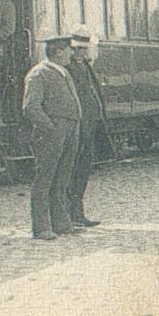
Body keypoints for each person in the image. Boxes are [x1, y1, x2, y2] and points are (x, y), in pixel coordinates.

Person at [20, 35, 83, 240]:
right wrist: (50, 127)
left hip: (69, 129)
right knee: (45, 179)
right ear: (57, 52)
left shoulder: (62, 72)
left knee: (62, 178)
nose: (72, 54)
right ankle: (41, 227)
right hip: (52, 133)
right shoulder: (39, 74)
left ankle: (61, 223)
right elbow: (30, 107)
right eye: (68, 50)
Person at [65, 32, 108, 225]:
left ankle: (78, 213)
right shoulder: (67, 69)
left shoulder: (85, 67)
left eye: (83, 48)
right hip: (77, 125)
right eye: (77, 49)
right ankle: (70, 214)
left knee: (83, 169)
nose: (80, 52)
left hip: (90, 123)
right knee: (72, 169)